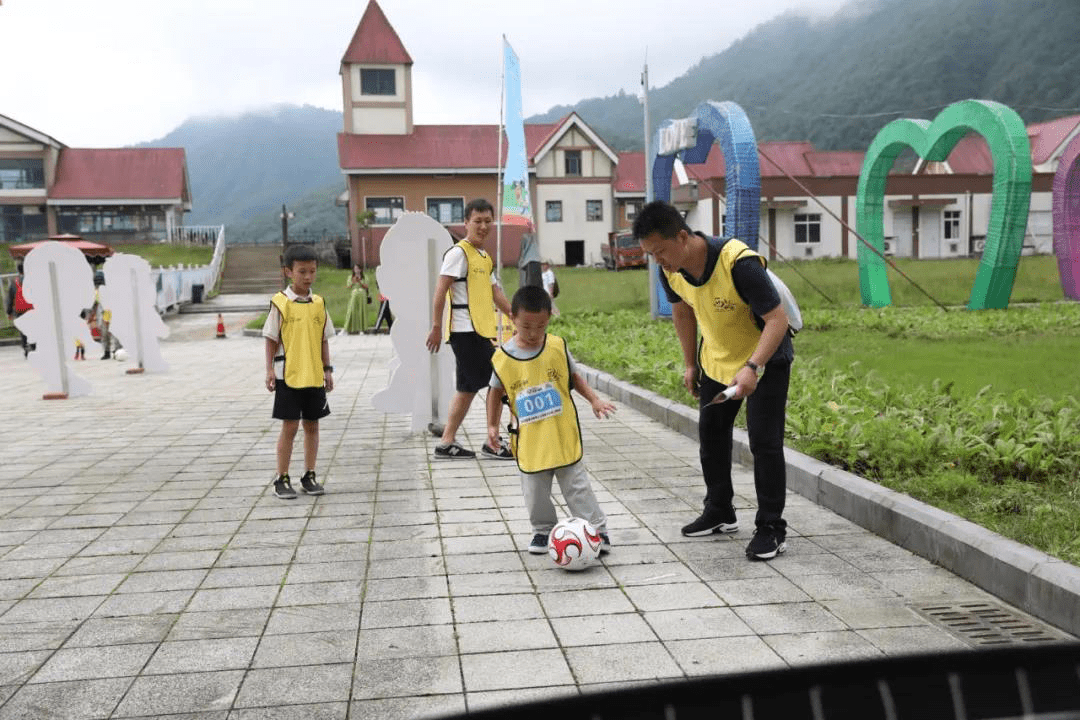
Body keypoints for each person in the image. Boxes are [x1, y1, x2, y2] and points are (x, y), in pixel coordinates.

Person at [633, 200, 794, 561]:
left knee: (764, 443)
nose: (658, 260)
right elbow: (682, 310)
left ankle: (771, 527)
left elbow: (777, 320)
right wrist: (690, 363)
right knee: (711, 433)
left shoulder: (739, 263)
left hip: (765, 359)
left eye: (660, 250)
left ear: (683, 236)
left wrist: (752, 366)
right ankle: (720, 510)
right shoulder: (670, 270)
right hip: (718, 360)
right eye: (650, 254)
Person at [487, 285, 614, 554]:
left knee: (578, 487)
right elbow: (495, 392)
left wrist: (594, 399)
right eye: (526, 326)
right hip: (530, 439)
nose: (533, 333)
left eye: (541, 326)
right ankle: (543, 531)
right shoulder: (503, 358)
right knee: (535, 491)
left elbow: (574, 376)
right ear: (512, 318)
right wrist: (491, 425)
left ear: (549, 320)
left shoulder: (556, 346)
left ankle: (596, 530)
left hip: (561, 433)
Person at [425, 198, 514, 460]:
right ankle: (493, 442)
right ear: (466, 223)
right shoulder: (458, 254)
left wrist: (514, 316)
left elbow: (495, 291)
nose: (483, 226)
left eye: (488, 221)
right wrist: (436, 326)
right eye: (478, 221)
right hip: (466, 332)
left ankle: (446, 443)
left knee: (466, 389)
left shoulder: (484, 257)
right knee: (500, 384)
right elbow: (440, 291)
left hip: (480, 331)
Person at [263, 245, 335, 500]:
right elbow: (271, 338)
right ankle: (282, 478)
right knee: (290, 426)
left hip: (314, 374)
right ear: (288, 272)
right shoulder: (280, 303)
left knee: (312, 426)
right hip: (288, 375)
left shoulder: (318, 303)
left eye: (312, 271)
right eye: (302, 271)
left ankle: (309, 474)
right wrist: (269, 369)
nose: (307, 277)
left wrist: (328, 370)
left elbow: (324, 339)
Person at [5, 264, 35, 357]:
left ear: (18, 271)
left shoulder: (14, 282)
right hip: (31, 309)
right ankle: (33, 346)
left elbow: (10, 298)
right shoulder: (32, 280)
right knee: (33, 328)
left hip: (20, 311)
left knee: (23, 330)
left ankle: (26, 347)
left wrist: (9, 312)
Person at [342, 264, 368, 335]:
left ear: (360, 270)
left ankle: (361, 329)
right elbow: (348, 286)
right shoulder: (350, 277)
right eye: (355, 269)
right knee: (351, 311)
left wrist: (360, 281)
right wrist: (353, 281)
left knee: (361, 311)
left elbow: (366, 286)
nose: (356, 270)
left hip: (362, 296)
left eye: (358, 269)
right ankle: (347, 329)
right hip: (354, 295)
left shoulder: (364, 277)